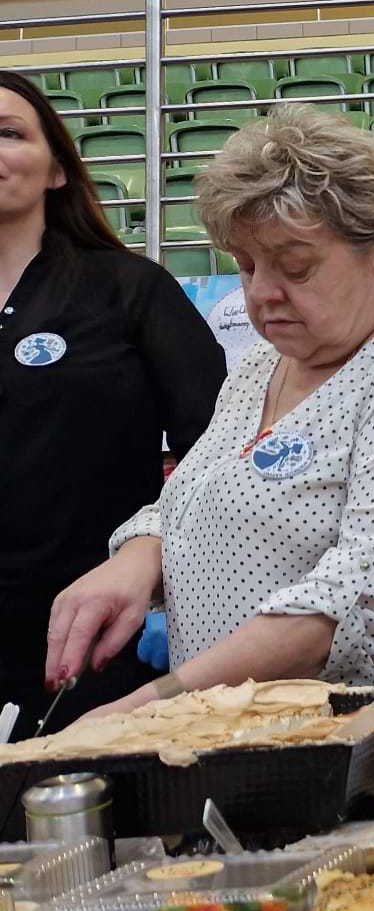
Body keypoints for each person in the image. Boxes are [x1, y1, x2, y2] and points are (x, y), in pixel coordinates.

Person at [47, 104, 374, 722]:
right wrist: (137, 560)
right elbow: (190, 498)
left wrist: (161, 703)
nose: (262, 291)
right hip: (286, 757)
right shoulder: (263, 369)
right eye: (245, 266)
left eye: (295, 266)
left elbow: (358, 598)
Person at [0, 71, 225, 736]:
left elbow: (219, 451)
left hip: (95, 645)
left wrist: (154, 567)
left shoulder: (130, 291)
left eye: (8, 133)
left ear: (58, 172)